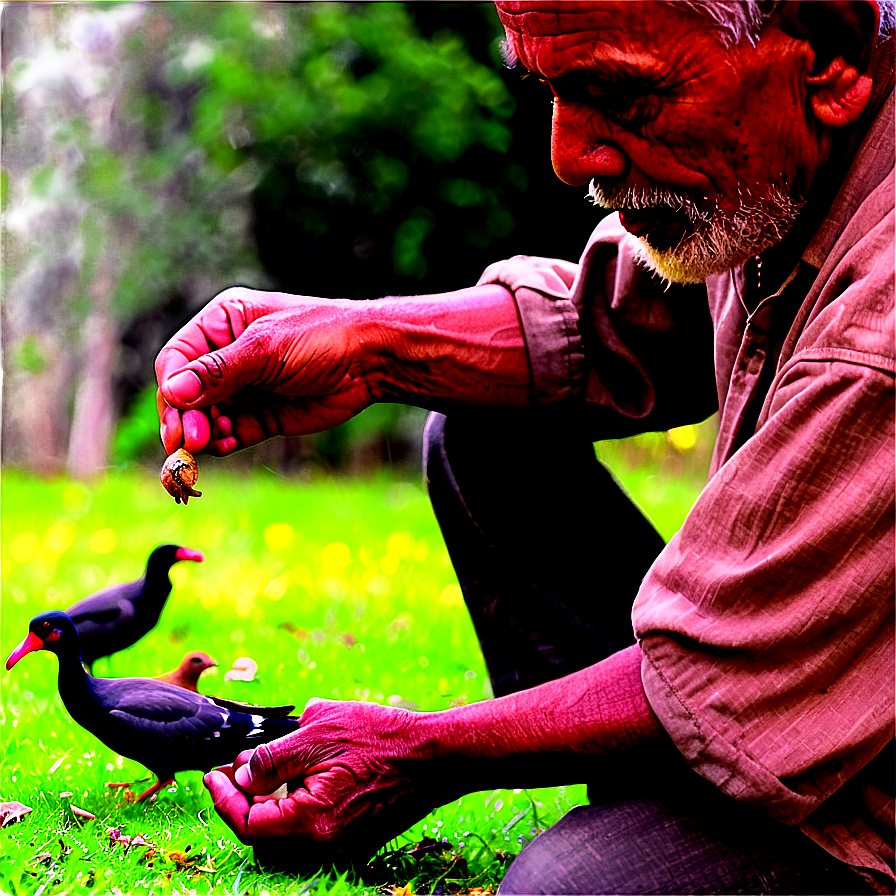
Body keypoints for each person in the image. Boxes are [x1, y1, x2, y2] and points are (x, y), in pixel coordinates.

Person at [155, 2, 895, 893]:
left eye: (623, 96)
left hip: (862, 778)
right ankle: (665, 806)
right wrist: (362, 343)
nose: (567, 156)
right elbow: (611, 324)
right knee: (484, 431)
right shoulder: (772, 155)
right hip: (779, 678)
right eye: (549, 90)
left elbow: (723, 665)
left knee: (569, 891)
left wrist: (420, 752)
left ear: (831, 55)